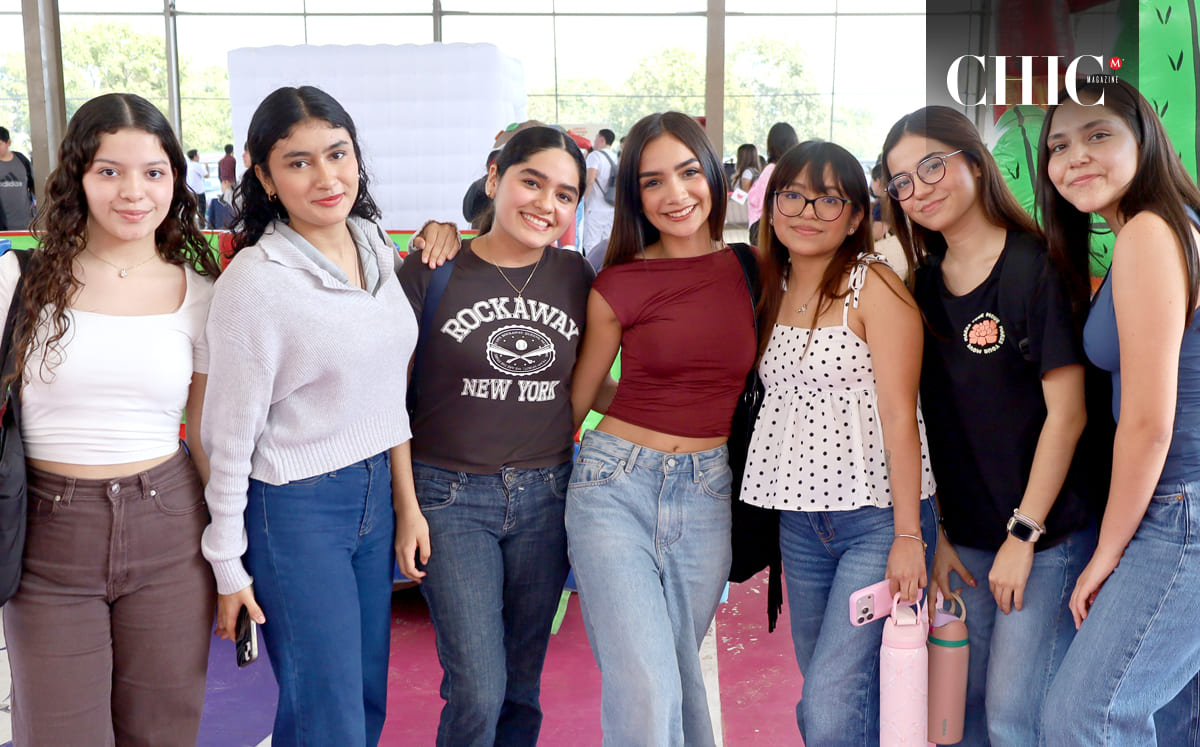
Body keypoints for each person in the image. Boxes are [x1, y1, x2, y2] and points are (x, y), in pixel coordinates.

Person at [200, 85, 423, 746]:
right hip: (294, 508)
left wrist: (405, 505)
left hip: (373, 495)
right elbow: (227, 437)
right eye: (298, 162)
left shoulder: (374, 243)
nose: (326, 176)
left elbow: (388, 392)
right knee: (328, 712)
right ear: (263, 175)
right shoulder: (256, 281)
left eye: (338, 153)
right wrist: (228, 564)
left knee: (363, 695)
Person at [1, 92, 221, 745]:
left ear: (175, 180)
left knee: (163, 730)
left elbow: (207, 436)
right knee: (61, 732)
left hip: (170, 532)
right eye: (110, 171)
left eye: (153, 172)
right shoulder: (19, 279)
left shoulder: (200, 290)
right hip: (47, 538)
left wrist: (234, 555)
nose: (134, 191)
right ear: (78, 177)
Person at [881, 105, 1099, 746]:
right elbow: (937, 425)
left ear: (973, 161)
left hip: (1044, 537)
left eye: (931, 166)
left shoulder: (1035, 268)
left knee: (1013, 713)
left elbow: (1069, 415)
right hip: (968, 540)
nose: (919, 189)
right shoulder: (919, 286)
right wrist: (942, 531)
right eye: (901, 182)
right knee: (961, 703)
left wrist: (1023, 536)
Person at [398, 125, 595, 747]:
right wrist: (408, 507)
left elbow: (589, 380)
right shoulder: (433, 269)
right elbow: (386, 399)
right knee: (477, 687)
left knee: (520, 687)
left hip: (547, 495)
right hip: (450, 498)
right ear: (494, 179)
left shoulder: (576, 275)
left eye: (565, 195)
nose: (546, 204)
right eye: (531, 182)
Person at [739, 139, 938, 746]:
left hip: (876, 522)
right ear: (771, 206)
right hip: (799, 523)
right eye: (793, 195)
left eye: (830, 200)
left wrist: (908, 536)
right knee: (837, 694)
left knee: (827, 704)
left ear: (857, 215)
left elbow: (902, 417)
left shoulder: (873, 286)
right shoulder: (767, 286)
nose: (807, 210)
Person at [567, 111, 756, 746]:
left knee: (675, 668)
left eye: (689, 172)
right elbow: (584, 390)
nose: (675, 195)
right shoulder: (619, 281)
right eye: (653, 182)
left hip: (706, 494)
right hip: (612, 485)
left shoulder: (754, 269)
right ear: (634, 196)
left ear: (713, 174)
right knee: (646, 682)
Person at [1036, 78, 1200, 746]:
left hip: (1180, 508)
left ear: (1145, 140)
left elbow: (1148, 421)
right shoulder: (1162, 229)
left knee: (1084, 714)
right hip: (1180, 503)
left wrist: (1108, 550)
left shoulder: (1150, 234)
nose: (1075, 156)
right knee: (1174, 718)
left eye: (1098, 134)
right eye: (1059, 145)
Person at [747, 122, 798, 243]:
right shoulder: (795, 171)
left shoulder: (771, 170)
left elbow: (757, 200)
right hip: (787, 228)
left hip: (764, 229)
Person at [581, 127, 617, 261]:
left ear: (602, 139)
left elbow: (590, 180)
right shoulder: (616, 157)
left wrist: (582, 202)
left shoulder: (595, 156)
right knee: (606, 245)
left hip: (594, 209)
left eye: (596, 138)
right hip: (611, 208)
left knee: (591, 245)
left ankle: (591, 276)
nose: (594, 142)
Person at [0, 126, 35, 230]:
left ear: (8, 143)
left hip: (25, 223)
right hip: (3, 226)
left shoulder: (22, 161)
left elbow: (33, 186)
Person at [185, 148, 208, 227]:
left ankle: (191, 226)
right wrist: (207, 167)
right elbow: (207, 175)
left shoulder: (188, 165)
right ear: (195, 156)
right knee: (202, 210)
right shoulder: (197, 165)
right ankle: (202, 226)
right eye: (198, 155)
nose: (199, 156)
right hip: (199, 191)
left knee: (191, 210)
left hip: (190, 191)